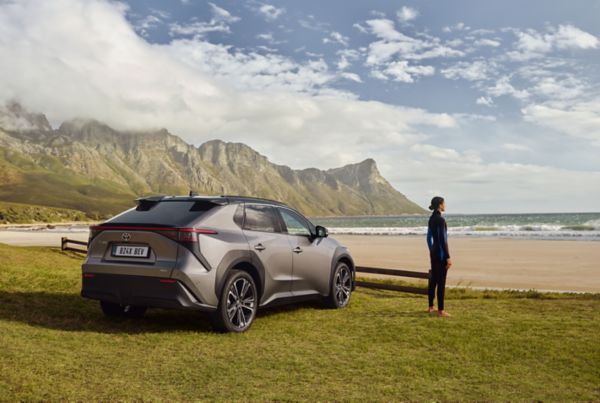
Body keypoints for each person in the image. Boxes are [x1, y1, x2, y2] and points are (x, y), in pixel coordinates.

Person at [426, 196, 452, 317]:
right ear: (440, 205)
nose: (445, 205)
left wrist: (432, 251)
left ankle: (431, 306)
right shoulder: (441, 220)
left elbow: (428, 238)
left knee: (434, 281)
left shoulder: (431, 219)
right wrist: (447, 257)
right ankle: (441, 310)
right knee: (441, 282)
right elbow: (443, 240)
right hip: (441, 255)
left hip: (434, 254)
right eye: (444, 203)